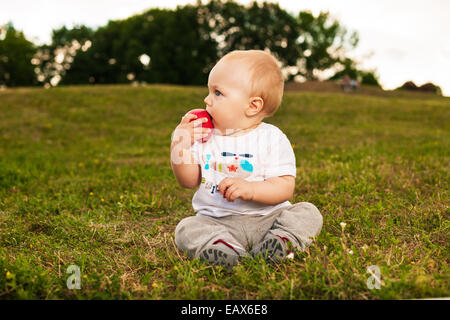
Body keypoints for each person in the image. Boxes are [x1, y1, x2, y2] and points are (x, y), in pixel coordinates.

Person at [170, 50, 323, 267]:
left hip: (269, 219)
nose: (207, 99)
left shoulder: (272, 138)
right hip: (217, 221)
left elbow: (284, 188)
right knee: (186, 228)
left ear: (253, 106)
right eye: (209, 91)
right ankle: (224, 248)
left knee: (308, 212)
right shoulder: (205, 137)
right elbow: (188, 181)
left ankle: (280, 241)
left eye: (217, 93)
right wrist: (180, 144)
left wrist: (250, 190)